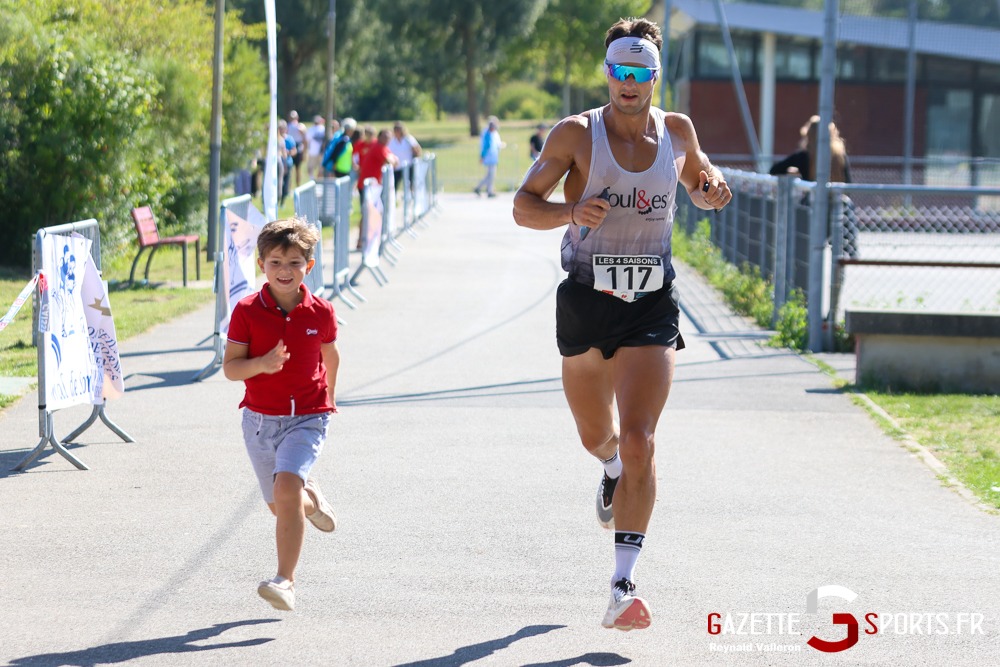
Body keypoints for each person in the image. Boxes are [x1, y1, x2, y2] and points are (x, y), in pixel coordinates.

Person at [512, 17, 731, 632]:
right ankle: (608, 470)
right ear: (607, 73)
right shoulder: (576, 134)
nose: (628, 83)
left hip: (651, 302)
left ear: (655, 76)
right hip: (588, 298)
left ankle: (622, 585)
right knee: (598, 438)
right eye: (619, 71)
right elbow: (523, 208)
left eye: (640, 72)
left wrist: (713, 191)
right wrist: (570, 212)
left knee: (641, 440)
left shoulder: (677, 131)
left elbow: (701, 182)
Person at [223, 217, 341, 612]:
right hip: (259, 422)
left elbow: (331, 355)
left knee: (285, 491)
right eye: (275, 262)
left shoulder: (321, 312)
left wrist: (331, 397)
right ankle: (313, 499)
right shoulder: (246, 311)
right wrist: (262, 364)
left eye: (294, 263)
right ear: (261, 264)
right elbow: (231, 368)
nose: (284, 271)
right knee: (281, 504)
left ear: (309, 265)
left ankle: (285, 581)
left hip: (308, 417)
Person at [770, 116, 858, 257]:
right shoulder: (840, 155)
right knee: (841, 243)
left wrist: (792, 171)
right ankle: (844, 259)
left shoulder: (804, 156)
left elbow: (774, 170)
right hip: (837, 206)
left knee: (802, 240)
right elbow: (848, 184)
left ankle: (803, 264)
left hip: (812, 206)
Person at [474, 116, 503, 197]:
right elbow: (485, 146)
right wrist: (482, 156)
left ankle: (483, 188)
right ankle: (488, 190)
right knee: (491, 175)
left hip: (493, 157)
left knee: (490, 175)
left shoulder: (492, 133)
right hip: (489, 157)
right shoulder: (487, 134)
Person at [286, 111, 308, 189]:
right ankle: (289, 186)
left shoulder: (300, 126)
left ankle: (297, 186)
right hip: (290, 147)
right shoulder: (288, 126)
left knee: (297, 168)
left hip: (298, 147)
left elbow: (304, 139)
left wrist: (304, 152)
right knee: (290, 168)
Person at [306, 115, 329, 181]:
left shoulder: (311, 129)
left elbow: (307, 140)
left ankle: (312, 179)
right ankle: (318, 180)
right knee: (320, 168)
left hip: (313, 151)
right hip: (320, 152)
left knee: (311, 167)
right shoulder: (323, 129)